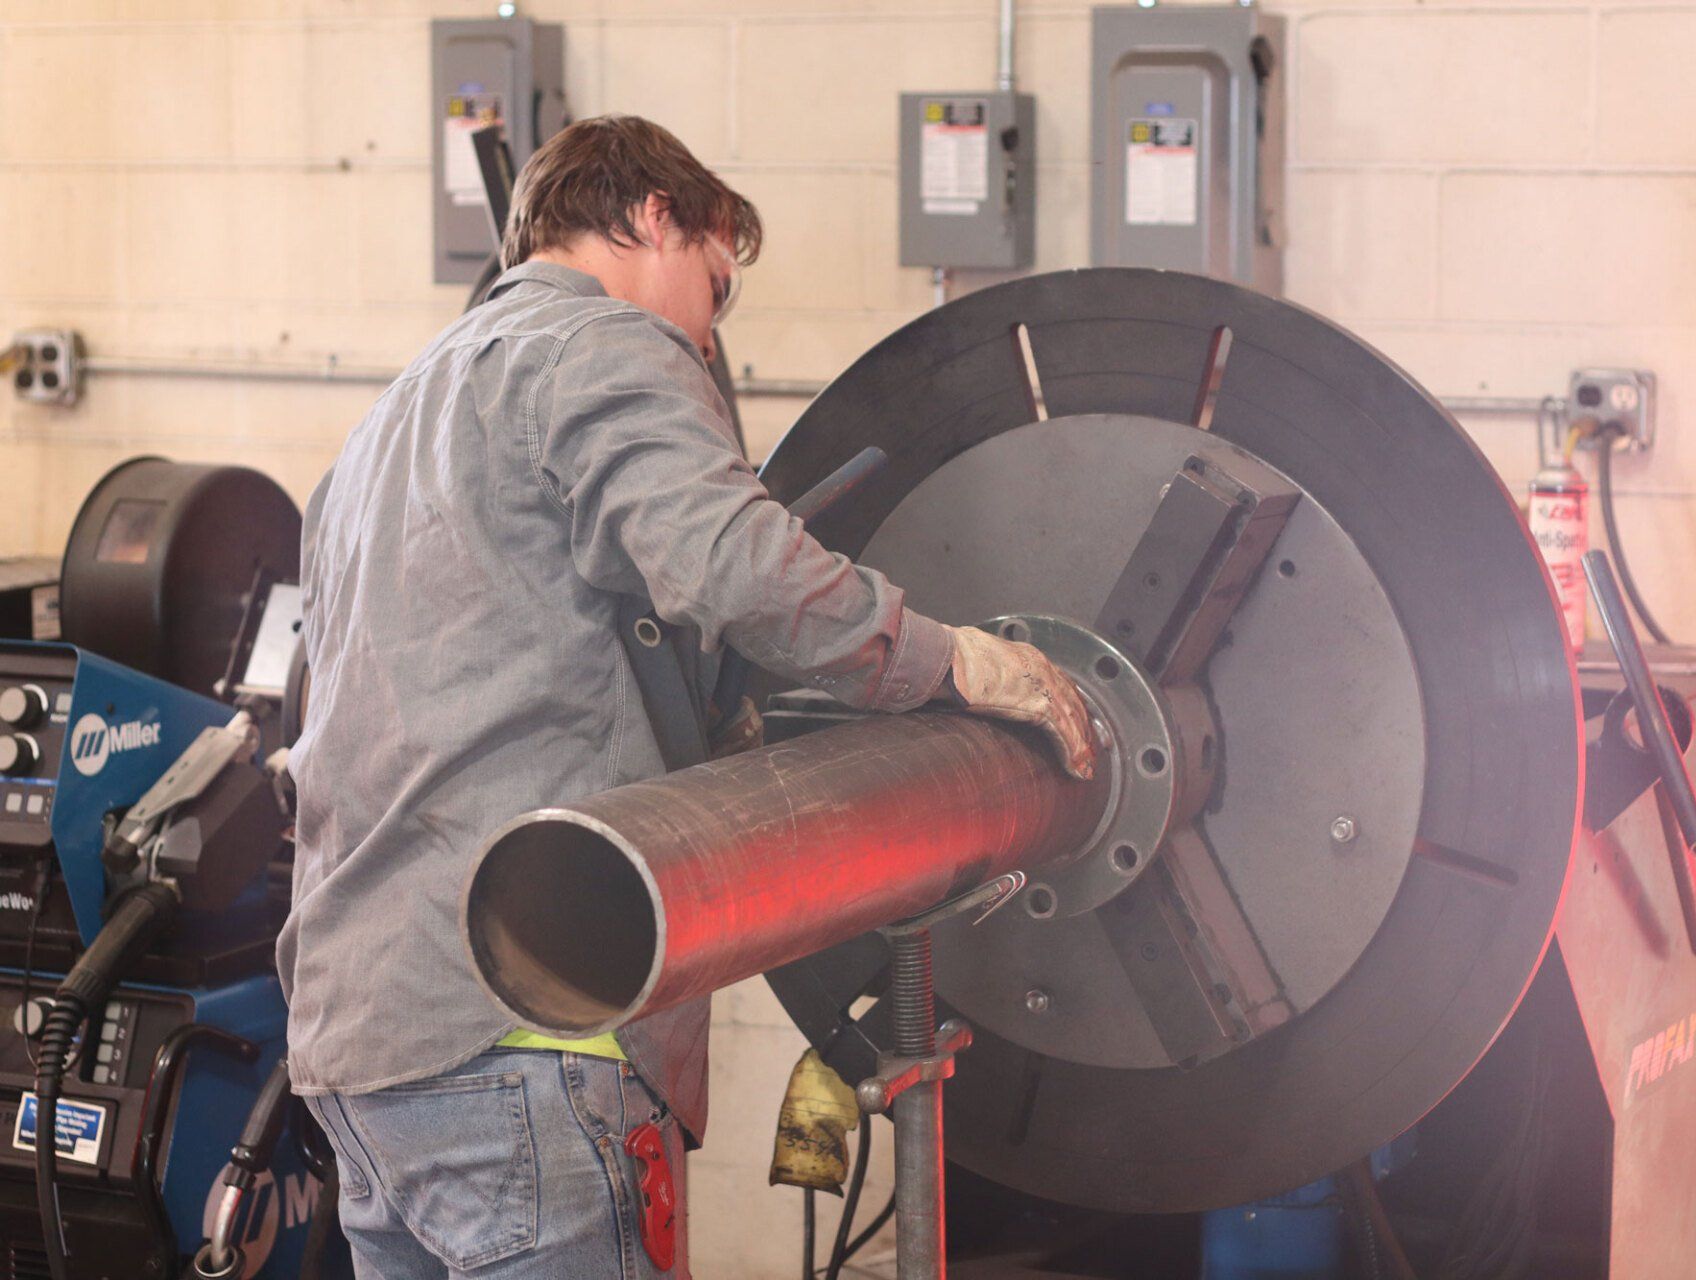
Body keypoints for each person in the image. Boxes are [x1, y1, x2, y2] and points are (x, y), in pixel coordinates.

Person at [280, 114, 1095, 1279]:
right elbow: (735, 563)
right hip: (525, 1030)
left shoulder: (393, 416)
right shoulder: (597, 346)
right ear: (654, 217)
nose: (711, 332)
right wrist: (956, 660)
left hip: (364, 1041)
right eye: (716, 284)